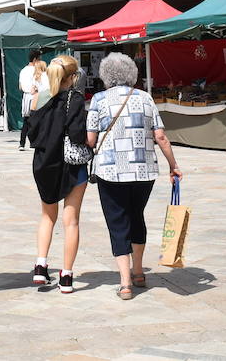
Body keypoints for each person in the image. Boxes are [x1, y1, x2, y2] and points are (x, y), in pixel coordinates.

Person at [86, 52, 182, 301]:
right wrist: (173, 165)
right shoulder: (145, 98)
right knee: (136, 215)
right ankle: (138, 271)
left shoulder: (98, 99)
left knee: (117, 221)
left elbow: (91, 139)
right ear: (132, 73)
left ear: (105, 75)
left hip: (110, 170)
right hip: (143, 171)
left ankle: (125, 282)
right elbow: (160, 136)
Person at [25, 53, 88, 293]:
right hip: (71, 165)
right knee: (70, 221)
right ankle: (67, 277)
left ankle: (41, 266)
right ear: (72, 77)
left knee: (47, 216)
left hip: (43, 164)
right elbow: (77, 134)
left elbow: (32, 134)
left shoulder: (38, 99)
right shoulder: (76, 99)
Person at [17, 52, 49, 152]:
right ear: (35, 59)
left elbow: (20, 86)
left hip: (26, 97)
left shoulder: (23, 70)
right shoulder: (36, 70)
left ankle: (22, 143)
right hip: (36, 96)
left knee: (26, 121)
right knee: (37, 120)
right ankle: (35, 141)